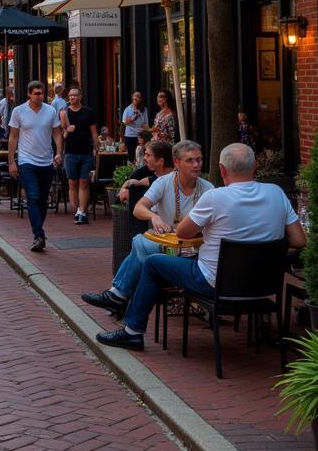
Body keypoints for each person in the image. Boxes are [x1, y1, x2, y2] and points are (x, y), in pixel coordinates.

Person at [96, 143, 306, 351]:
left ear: (222, 170)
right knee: (146, 248)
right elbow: (299, 240)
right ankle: (119, 297)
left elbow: (182, 233)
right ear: (255, 168)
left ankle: (132, 331)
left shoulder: (214, 196)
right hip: (263, 286)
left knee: (152, 263)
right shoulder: (277, 193)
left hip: (215, 284)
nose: (196, 165)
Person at [81, 140, 210, 316]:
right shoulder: (164, 183)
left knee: (140, 243)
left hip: (196, 250)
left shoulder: (207, 189)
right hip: (168, 247)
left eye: (199, 160)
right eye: (190, 160)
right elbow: (138, 208)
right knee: (142, 244)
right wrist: (154, 217)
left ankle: (118, 295)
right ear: (177, 162)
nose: (196, 165)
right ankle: (119, 297)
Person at [8, 81, 63, 252]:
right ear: (29, 94)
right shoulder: (19, 111)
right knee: (32, 196)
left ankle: (39, 231)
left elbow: (57, 133)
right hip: (26, 161)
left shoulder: (50, 111)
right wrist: (11, 161)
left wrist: (59, 152)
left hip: (46, 161)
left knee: (42, 200)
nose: (40, 96)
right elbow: (13, 137)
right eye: (37, 93)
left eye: (42, 93)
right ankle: (38, 235)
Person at [60, 87, 100, 225]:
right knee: (72, 183)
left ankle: (82, 212)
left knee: (84, 182)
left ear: (80, 97)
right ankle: (77, 210)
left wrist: (97, 147)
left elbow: (94, 132)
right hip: (70, 152)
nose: (72, 98)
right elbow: (61, 135)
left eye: (75, 95)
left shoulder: (88, 112)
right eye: (70, 96)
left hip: (86, 152)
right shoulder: (65, 113)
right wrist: (67, 131)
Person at [119, 139, 174, 204]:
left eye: (148, 155)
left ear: (160, 161)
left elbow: (138, 209)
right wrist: (124, 187)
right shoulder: (148, 172)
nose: (144, 158)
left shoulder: (176, 181)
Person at [121, 91, 149, 156]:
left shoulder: (144, 109)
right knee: (131, 155)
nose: (136, 98)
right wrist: (133, 117)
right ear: (132, 98)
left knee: (140, 155)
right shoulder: (127, 109)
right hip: (130, 135)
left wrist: (146, 136)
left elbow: (145, 124)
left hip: (141, 136)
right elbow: (124, 123)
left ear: (141, 99)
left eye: (138, 97)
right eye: (135, 96)